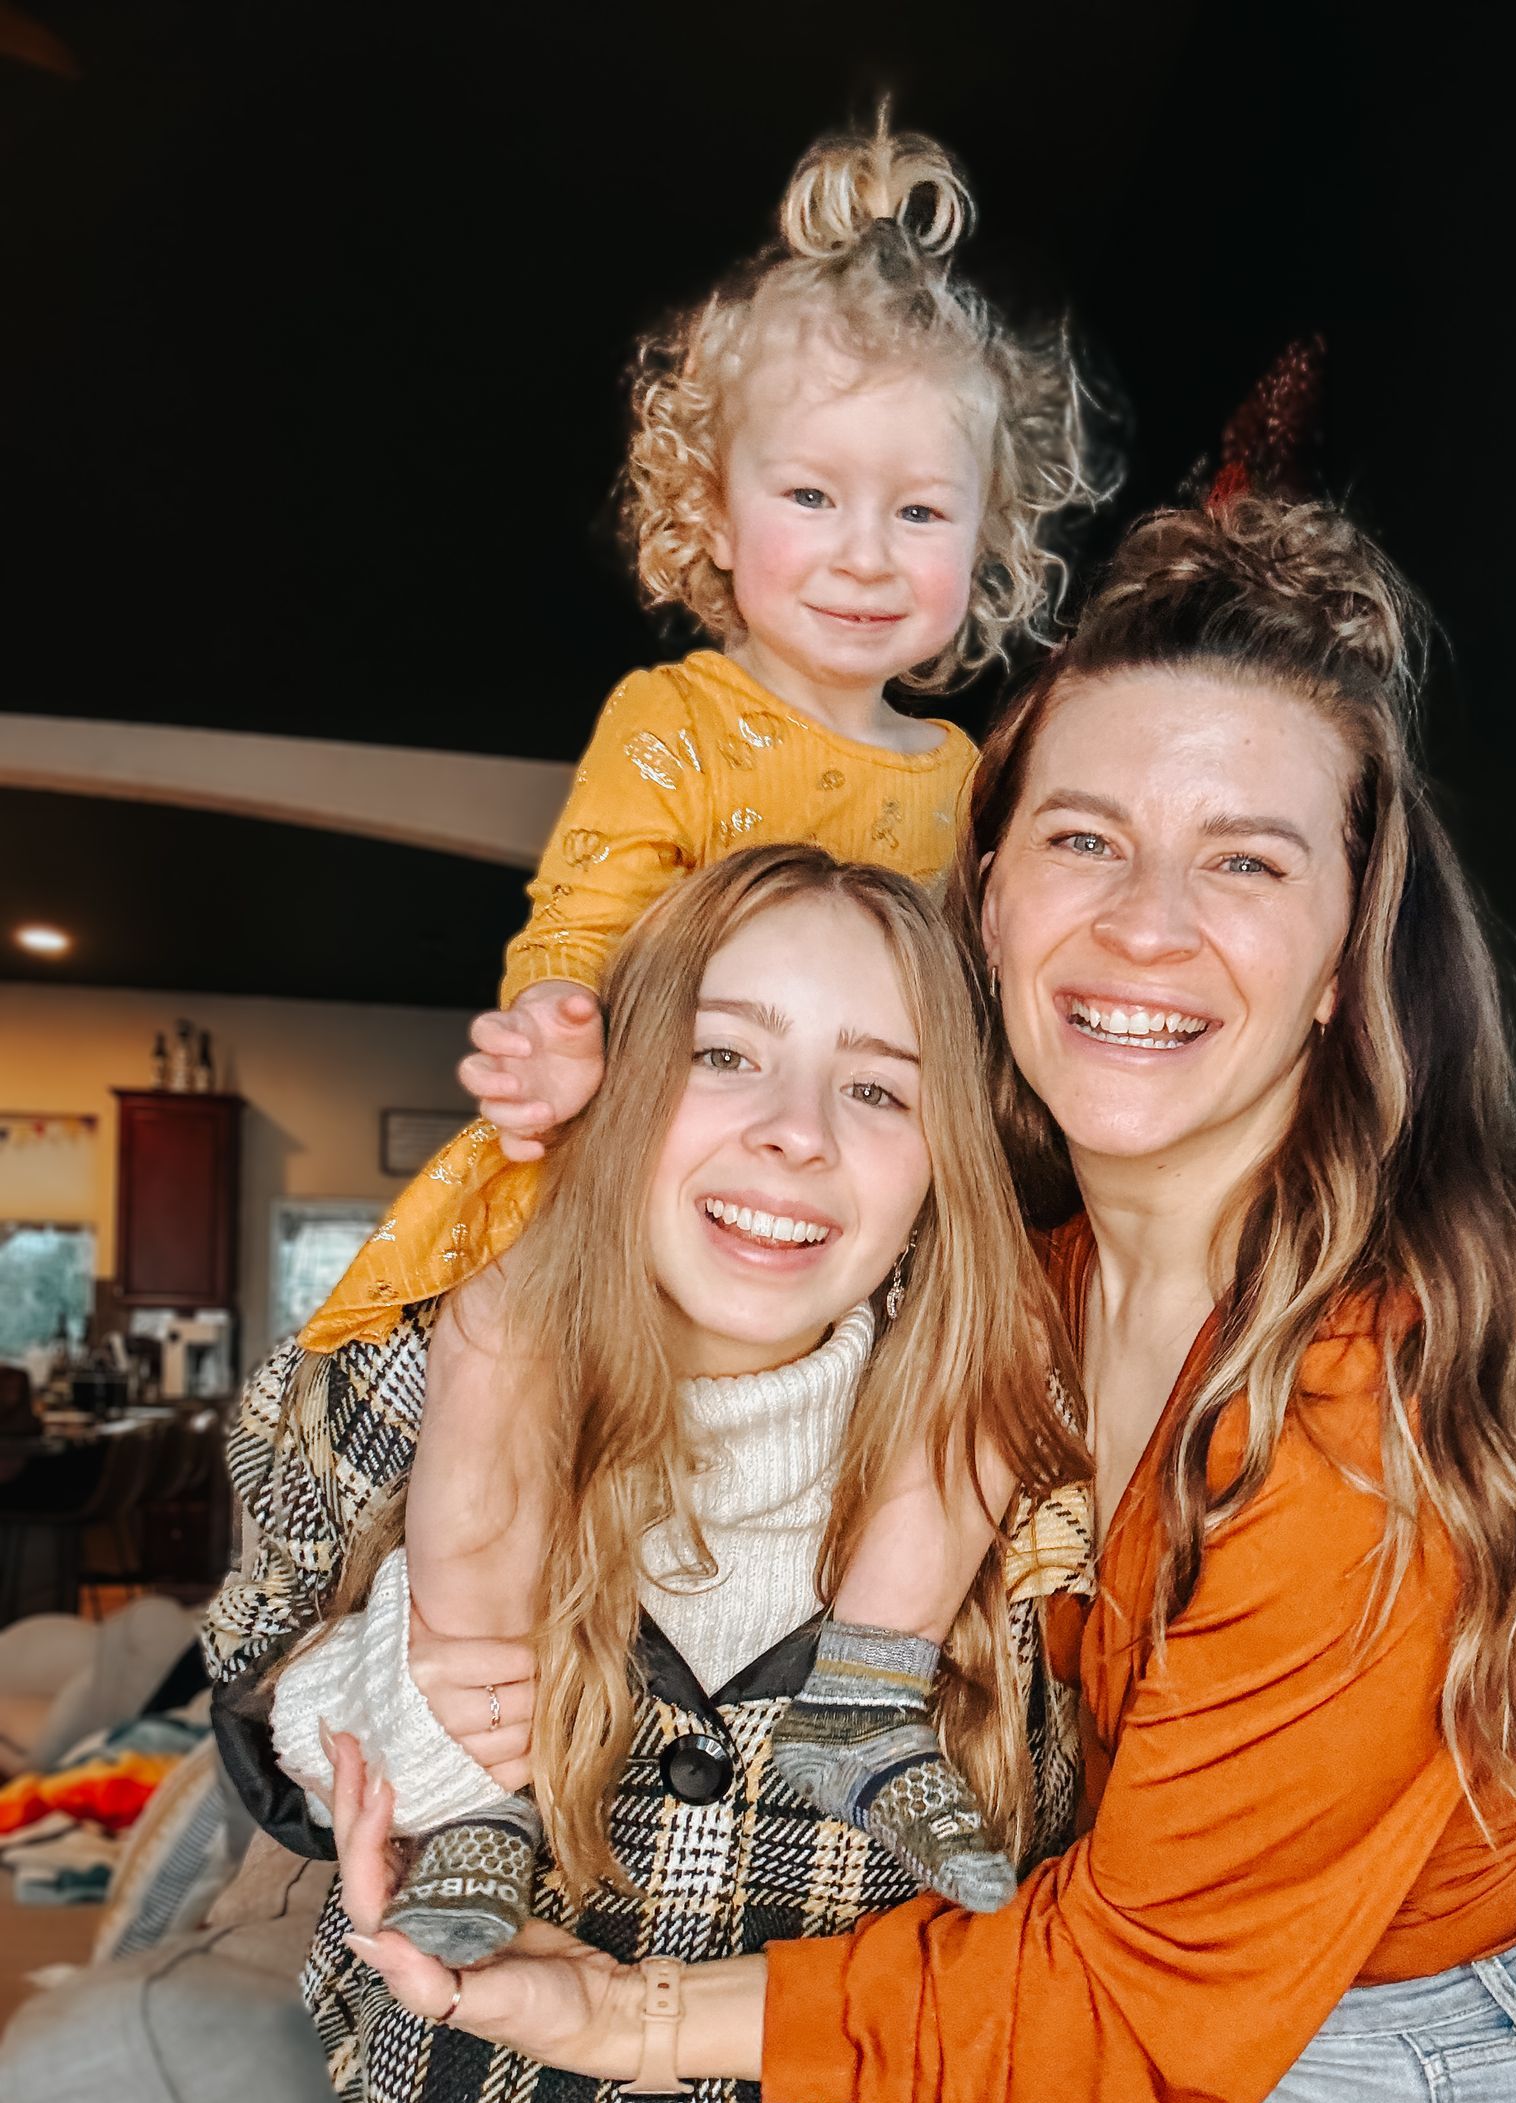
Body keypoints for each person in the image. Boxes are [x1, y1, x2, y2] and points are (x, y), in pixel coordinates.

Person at [341, 495, 1516, 2103]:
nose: (1145, 924)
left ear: (1346, 951)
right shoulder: (1027, 1298)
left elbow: (1118, 1981)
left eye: (1245, 859)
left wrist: (628, 2013)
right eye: (1085, 837)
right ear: (985, 899)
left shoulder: (1380, 1389)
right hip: (1107, 2075)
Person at [204, 115, 1108, 1942]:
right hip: (607, 1177)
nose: (865, 554)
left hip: (863, 1194)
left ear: (990, 541)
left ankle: (867, 1689)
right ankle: (478, 1763)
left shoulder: (962, 777)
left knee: (996, 1363)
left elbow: (978, 1011)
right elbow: (588, 919)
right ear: (712, 509)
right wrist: (557, 1031)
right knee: (498, 1348)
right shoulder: (675, 720)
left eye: (921, 513)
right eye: (813, 496)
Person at [211, 847, 1088, 2103]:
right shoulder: (424, 1368)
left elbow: (1028, 1901)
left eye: (879, 1088)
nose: (795, 1133)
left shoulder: (997, 1466)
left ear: (949, 1164)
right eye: (725, 1053)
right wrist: (406, 1700)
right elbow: (249, 1687)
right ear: (612, 1086)